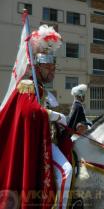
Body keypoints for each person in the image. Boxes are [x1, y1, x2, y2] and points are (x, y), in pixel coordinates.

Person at [0, 25, 72, 209]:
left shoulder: (41, 89)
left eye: (53, 64)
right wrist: (55, 116)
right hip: (42, 143)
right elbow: (29, 112)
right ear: (37, 65)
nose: (53, 69)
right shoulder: (27, 85)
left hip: (49, 139)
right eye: (49, 64)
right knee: (66, 171)